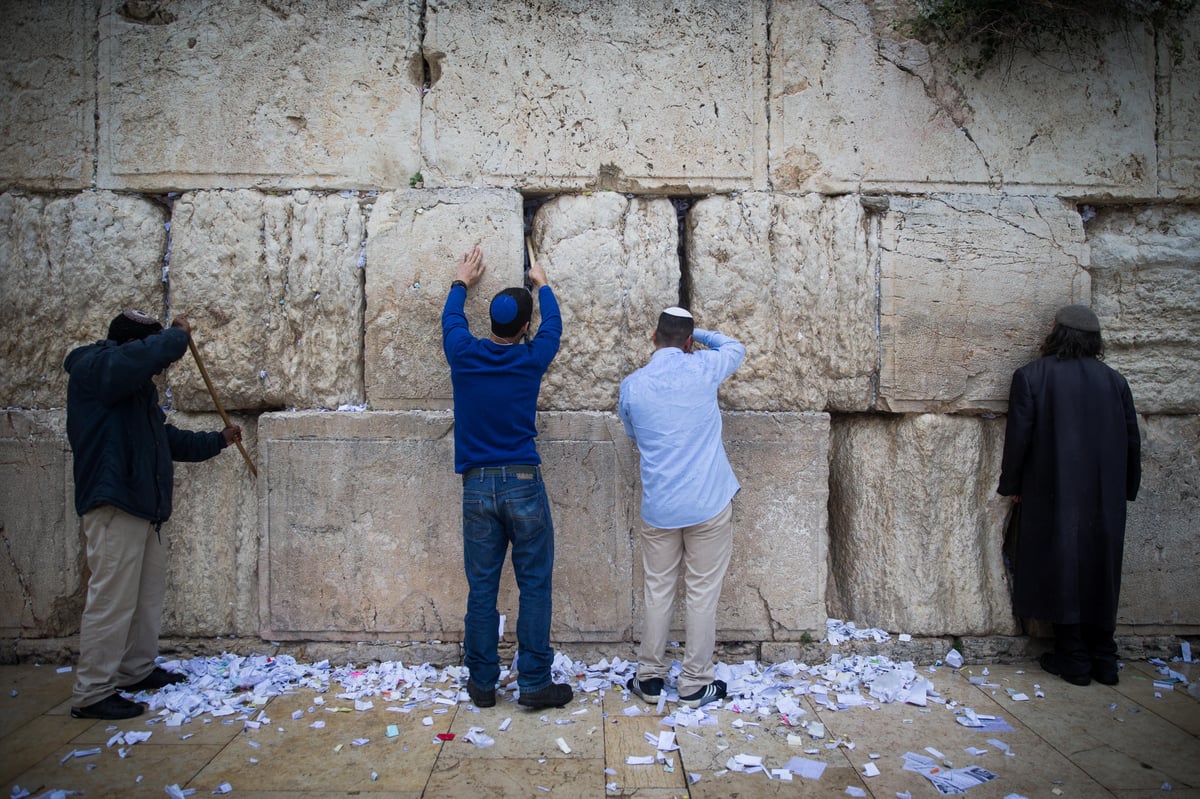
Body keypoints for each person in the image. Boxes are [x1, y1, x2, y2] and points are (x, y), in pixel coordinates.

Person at [65, 309, 242, 720]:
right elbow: (144, 356)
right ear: (133, 346)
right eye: (153, 355)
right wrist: (177, 339)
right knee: (111, 599)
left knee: (144, 597)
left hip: (144, 507)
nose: (158, 368)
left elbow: (164, 439)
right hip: (115, 503)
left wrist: (217, 441)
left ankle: (134, 670)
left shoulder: (133, 391)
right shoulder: (96, 370)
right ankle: (92, 692)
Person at [441, 245, 573, 710]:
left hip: (477, 485)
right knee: (534, 583)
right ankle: (534, 682)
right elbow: (553, 328)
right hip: (522, 482)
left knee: (483, 587)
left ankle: (481, 682)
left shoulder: (462, 354)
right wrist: (544, 284)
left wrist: (461, 281)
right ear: (522, 330)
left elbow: (452, 320)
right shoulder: (530, 359)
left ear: (492, 325)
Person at [998, 304, 1141, 687]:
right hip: (1104, 493)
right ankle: (1105, 659)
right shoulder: (1115, 381)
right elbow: (1131, 440)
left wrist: (1011, 486)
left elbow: (1019, 440)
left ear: (1055, 334)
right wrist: (1127, 489)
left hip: (1051, 492)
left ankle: (1073, 657)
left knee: (1061, 565)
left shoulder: (1032, 377)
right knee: (1101, 567)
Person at [619, 307, 746, 708]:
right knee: (702, 593)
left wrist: (680, 336)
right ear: (689, 342)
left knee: (658, 590)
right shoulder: (704, 367)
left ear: (653, 337)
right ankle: (694, 683)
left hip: (660, 506)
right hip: (707, 502)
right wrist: (698, 335)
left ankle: (650, 677)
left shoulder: (632, 386)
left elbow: (632, 433)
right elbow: (735, 347)